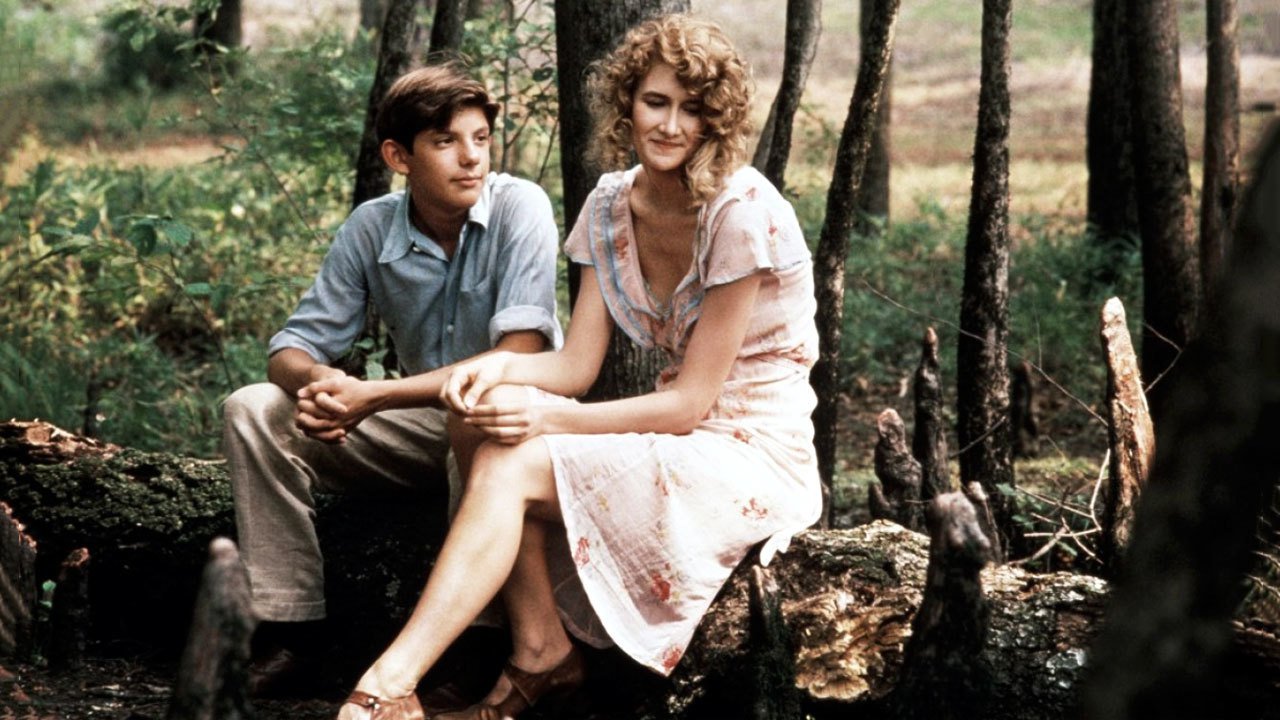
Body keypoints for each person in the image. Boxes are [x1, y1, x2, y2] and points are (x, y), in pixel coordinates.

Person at [320, 14, 823, 720]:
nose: (670, 125)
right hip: (681, 433)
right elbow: (576, 365)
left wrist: (547, 418)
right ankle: (540, 651)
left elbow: (690, 404)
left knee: (518, 458)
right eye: (655, 102)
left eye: (691, 109)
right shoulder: (613, 203)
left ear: (716, 119)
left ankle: (390, 683)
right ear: (627, 104)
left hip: (750, 450)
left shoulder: (740, 211)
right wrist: (494, 374)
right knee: (479, 420)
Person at [221, 61, 562, 698]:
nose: (471, 158)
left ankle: (476, 642)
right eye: (445, 141)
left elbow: (518, 351)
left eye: (481, 139)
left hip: (512, 428)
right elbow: (289, 348)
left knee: (482, 405)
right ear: (398, 157)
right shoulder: (372, 226)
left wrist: (371, 395)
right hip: (419, 425)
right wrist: (321, 382)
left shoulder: (521, 208)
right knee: (253, 408)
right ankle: (291, 628)